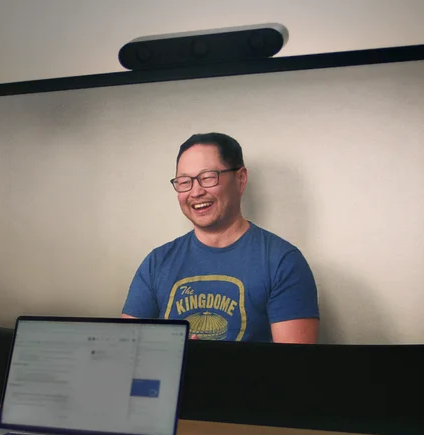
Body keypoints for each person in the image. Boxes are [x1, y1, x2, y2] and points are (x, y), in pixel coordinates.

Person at [121, 132, 319, 344]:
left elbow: (292, 370)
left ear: (240, 178)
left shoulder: (283, 262)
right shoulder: (157, 262)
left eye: (207, 177)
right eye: (184, 181)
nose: (195, 192)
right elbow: (126, 351)